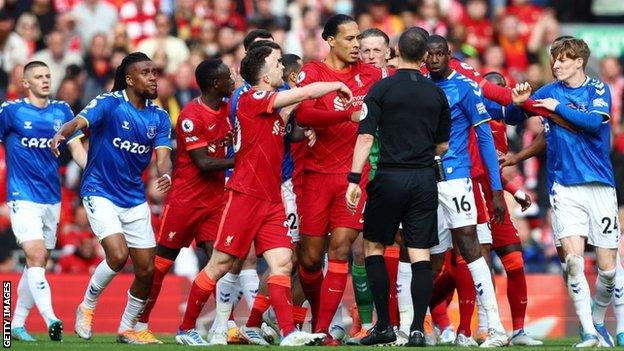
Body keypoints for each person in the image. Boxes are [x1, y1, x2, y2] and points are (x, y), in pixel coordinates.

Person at [174, 44, 354, 347]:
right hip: (245, 195)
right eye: (276, 63)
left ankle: (288, 332)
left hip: (271, 200)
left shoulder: (266, 107)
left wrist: (297, 109)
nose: (282, 67)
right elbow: (303, 95)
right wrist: (336, 84)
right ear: (265, 75)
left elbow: (283, 117)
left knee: (283, 262)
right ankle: (185, 328)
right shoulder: (251, 97)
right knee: (218, 265)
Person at [51, 52, 173, 344]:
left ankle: (127, 327)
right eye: (146, 73)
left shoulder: (160, 116)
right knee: (118, 256)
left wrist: (164, 172)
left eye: (154, 72)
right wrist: (61, 133)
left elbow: (163, 155)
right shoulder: (110, 103)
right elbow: (79, 121)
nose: (153, 77)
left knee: (146, 269)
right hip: (100, 190)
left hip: (133, 198)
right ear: (130, 79)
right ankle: (87, 306)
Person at [510, 37, 619, 348]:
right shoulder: (548, 91)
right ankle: (587, 332)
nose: (555, 64)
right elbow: (517, 115)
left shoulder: (598, 89)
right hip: (564, 186)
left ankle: (598, 321)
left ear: (578, 62)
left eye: (562, 59)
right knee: (572, 260)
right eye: (554, 59)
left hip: (600, 185)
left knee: (608, 273)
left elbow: (591, 122)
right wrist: (518, 102)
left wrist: (556, 108)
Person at [346, 27, 450, 347]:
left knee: (374, 248)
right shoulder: (436, 93)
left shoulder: (382, 89)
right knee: (419, 253)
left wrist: (353, 179)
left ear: (395, 53)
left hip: (389, 177)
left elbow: (365, 137)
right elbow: (443, 145)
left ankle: (385, 326)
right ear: (423, 57)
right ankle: (417, 328)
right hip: (423, 179)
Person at [295, 14, 385, 345]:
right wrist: (345, 114)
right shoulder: (314, 73)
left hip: (354, 177)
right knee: (308, 258)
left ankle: (322, 332)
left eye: (358, 39)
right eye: (349, 39)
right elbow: (303, 114)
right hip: (316, 177)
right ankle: (324, 318)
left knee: (341, 247)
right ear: (330, 40)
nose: (356, 45)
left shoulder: (372, 75)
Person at [133, 58, 235, 344]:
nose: (232, 80)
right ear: (216, 84)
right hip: (185, 201)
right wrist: (240, 158)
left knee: (220, 262)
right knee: (162, 265)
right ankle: (138, 323)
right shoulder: (191, 115)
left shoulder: (228, 109)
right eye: (228, 77)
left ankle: (211, 326)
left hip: (214, 201)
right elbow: (203, 162)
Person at [424, 35, 509, 347]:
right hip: (423, 181)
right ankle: (415, 324)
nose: (433, 59)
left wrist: (497, 189)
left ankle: (495, 327)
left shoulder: (465, 87)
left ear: (449, 55)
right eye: (428, 54)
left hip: (457, 178)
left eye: (439, 53)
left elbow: (485, 138)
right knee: (428, 259)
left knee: (469, 248)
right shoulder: (419, 86)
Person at [5, 61, 86, 342]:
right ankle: (51, 318)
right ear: (25, 83)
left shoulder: (62, 111)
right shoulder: (11, 111)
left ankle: (15, 324)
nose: (45, 80)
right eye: (38, 77)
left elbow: (76, 146)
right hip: (21, 196)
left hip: (52, 198)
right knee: (37, 255)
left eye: (48, 76)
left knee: (36, 263)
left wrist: (96, 172)